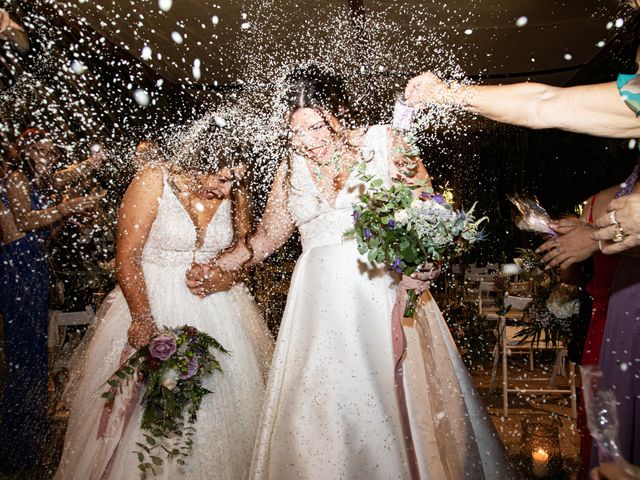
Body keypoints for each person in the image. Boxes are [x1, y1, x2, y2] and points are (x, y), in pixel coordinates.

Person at [188, 67, 513, 479]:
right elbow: (267, 238)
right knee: (315, 408)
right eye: (298, 131)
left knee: (395, 408)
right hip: (316, 310)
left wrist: (429, 260)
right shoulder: (290, 168)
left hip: (381, 296)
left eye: (318, 126)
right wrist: (217, 266)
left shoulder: (384, 142)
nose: (310, 141)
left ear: (340, 110)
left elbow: (431, 214)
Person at [54, 129, 274, 480]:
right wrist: (142, 317)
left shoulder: (236, 193)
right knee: (145, 414)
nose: (228, 189)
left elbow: (242, 253)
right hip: (152, 300)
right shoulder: (154, 179)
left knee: (219, 408)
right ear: (200, 161)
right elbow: (127, 257)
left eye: (236, 181)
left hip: (220, 311)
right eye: (222, 178)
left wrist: (223, 275)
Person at [0, 128, 102, 470]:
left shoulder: (45, 181)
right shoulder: (16, 178)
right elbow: (26, 220)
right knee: (23, 356)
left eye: (52, 152)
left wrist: (92, 163)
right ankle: (17, 449)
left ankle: (30, 441)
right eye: (41, 152)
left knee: (35, 357)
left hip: (36, 266)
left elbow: (68, 178)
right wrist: (68, 207)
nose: (48, 158)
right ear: (27, 153)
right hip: (16, 266)